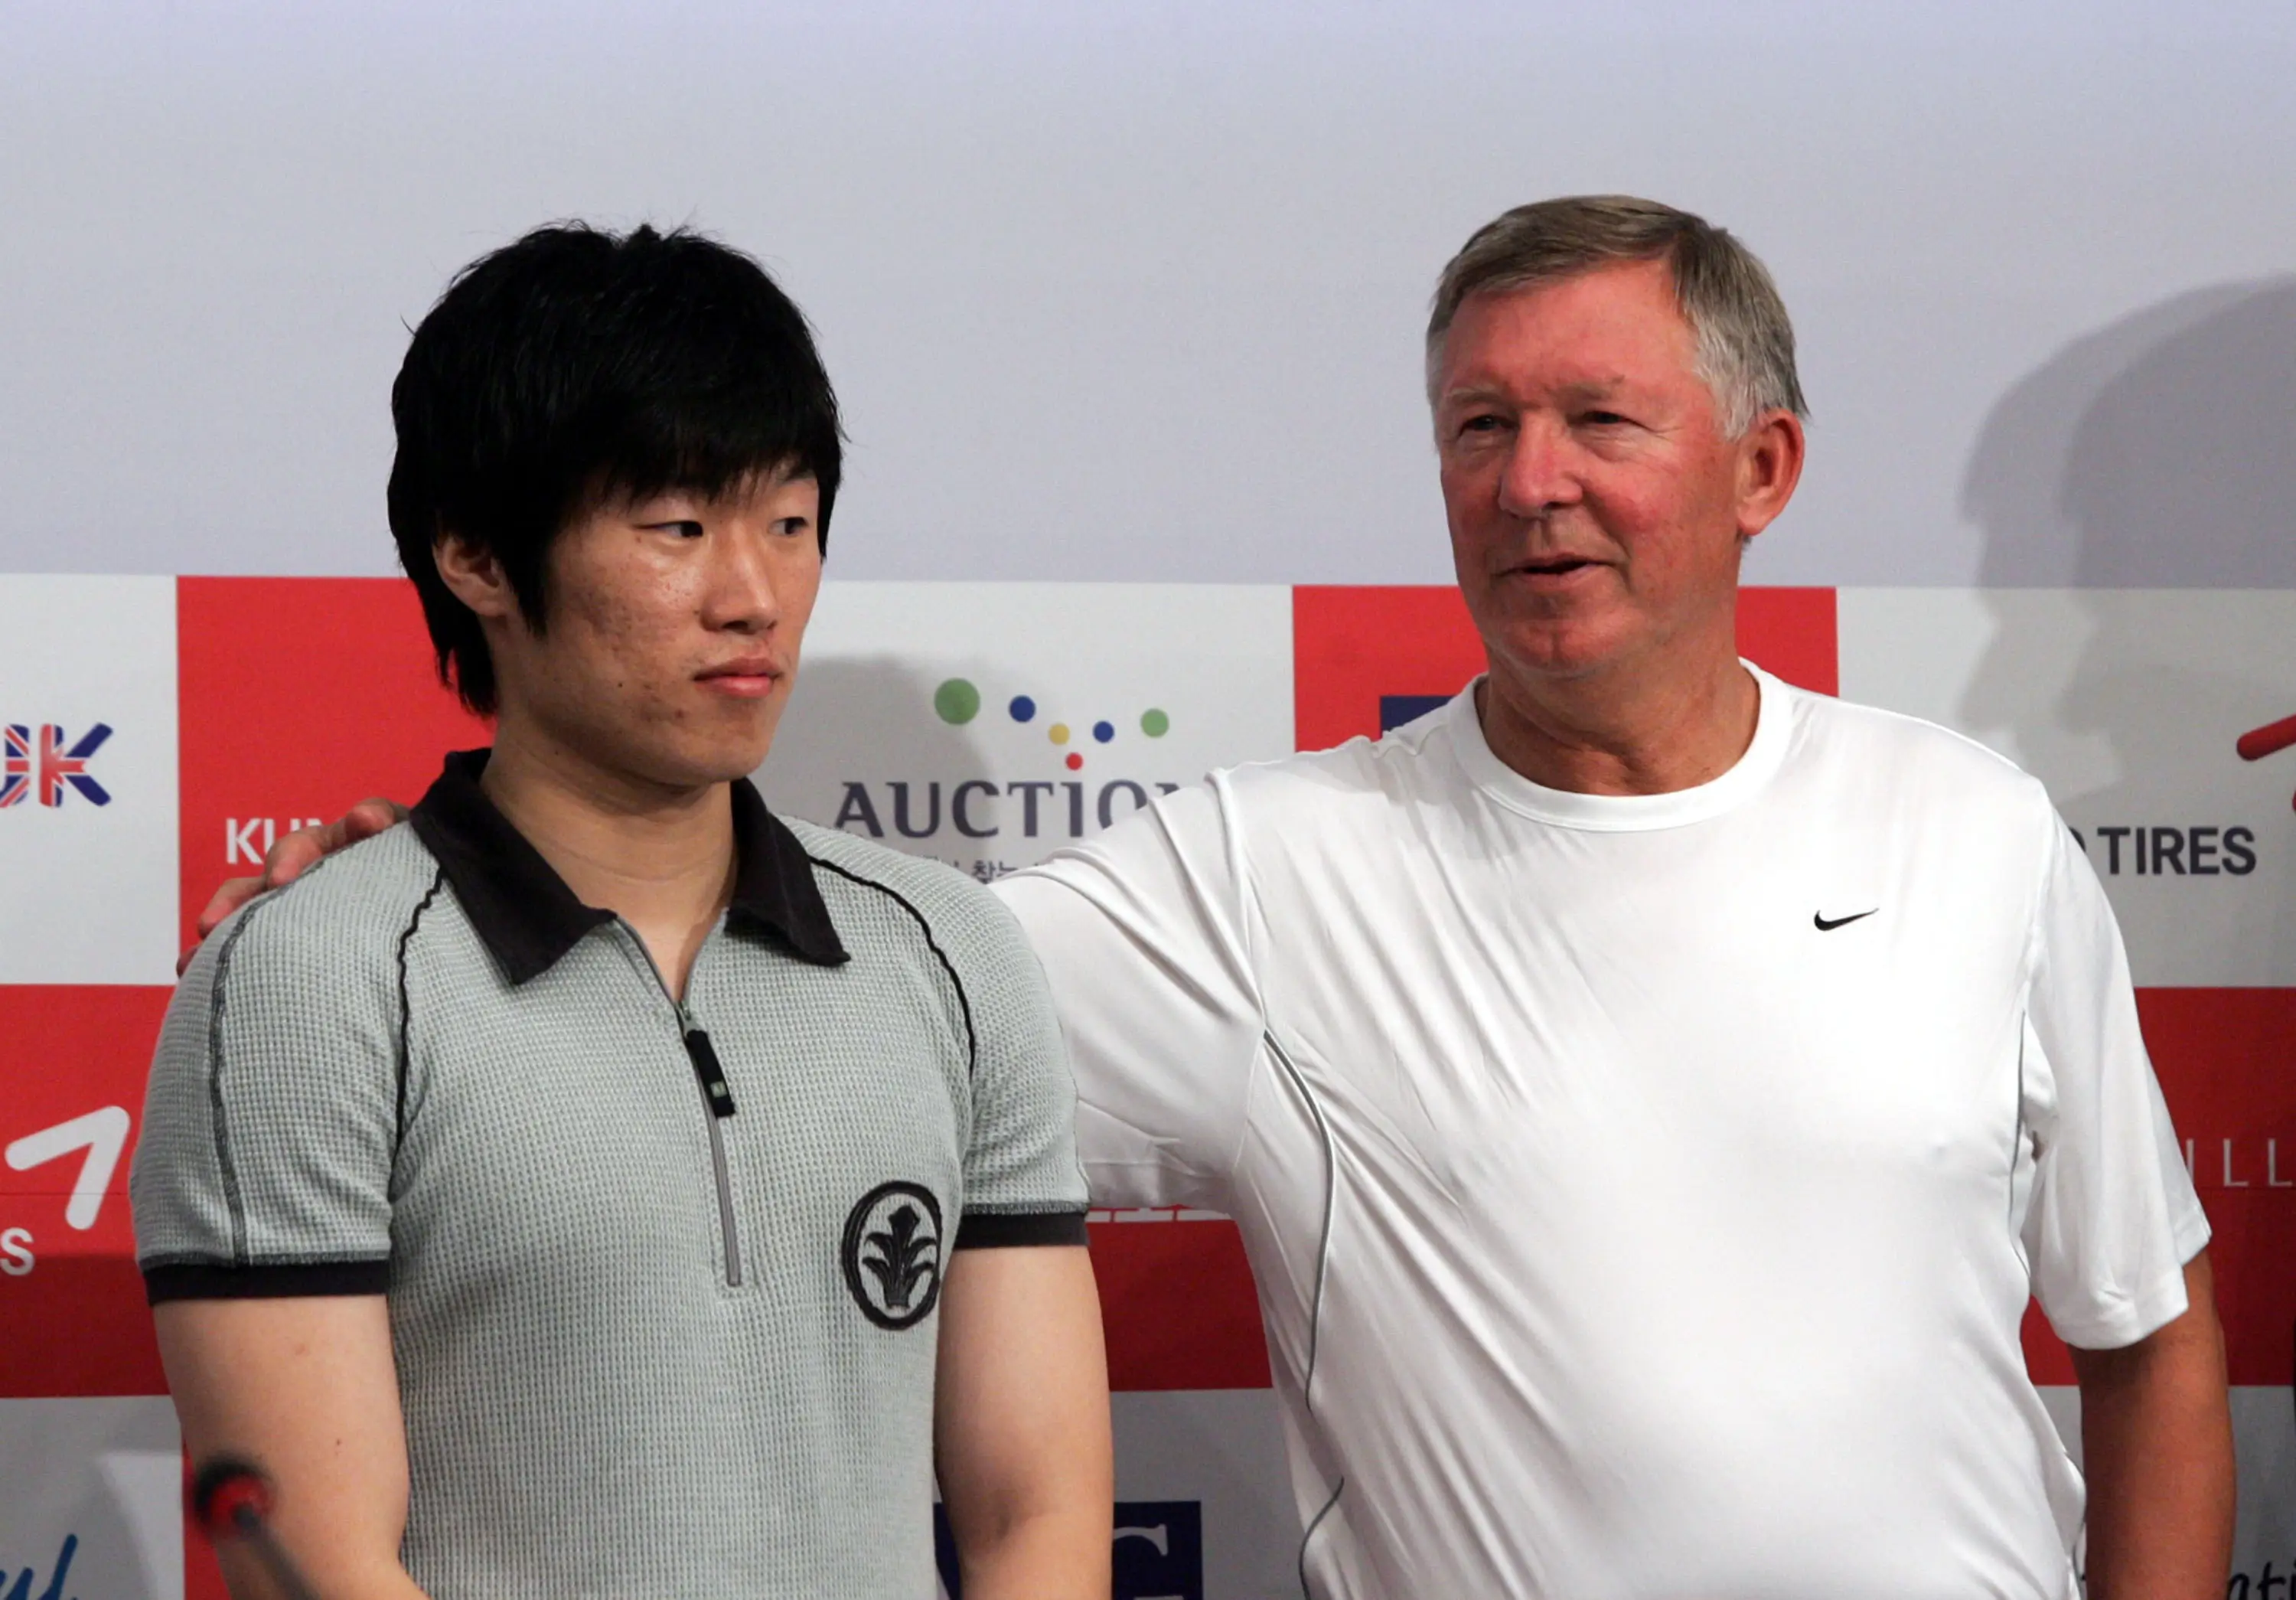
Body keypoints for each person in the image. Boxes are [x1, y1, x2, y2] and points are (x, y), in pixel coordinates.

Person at [214, 198, 2233, 1598]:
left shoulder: (1971, 830)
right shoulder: (1257, 875)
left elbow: (2147, 1324)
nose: (1534, 482)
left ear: (1763, 465)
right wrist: (418, 879)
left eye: (1601, 422)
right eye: (1479, 428)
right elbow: (736, 982)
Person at [136, 223, 1111, 1599]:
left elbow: (1038, 1519)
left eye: (789, 522)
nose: (754, 595)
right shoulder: (308, 980)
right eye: (678, 528)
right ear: (475, 554)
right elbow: (314, 1561)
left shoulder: (950, 955)